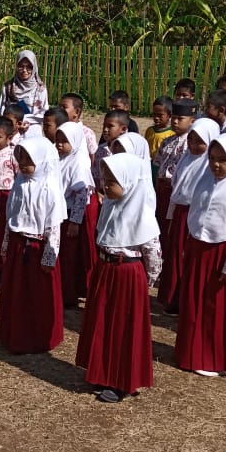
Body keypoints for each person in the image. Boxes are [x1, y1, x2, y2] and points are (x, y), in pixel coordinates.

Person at [75, 153, 162, 403]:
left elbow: (153, 252)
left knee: (123, 328)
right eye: (104, 180)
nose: (106, 186)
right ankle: (101, 372)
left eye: (112, 182)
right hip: (105, 269)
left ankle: (121, 381)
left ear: (129, 182)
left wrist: (147, 280)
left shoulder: (142, 214)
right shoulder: (110, 207)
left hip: (127, 275)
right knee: (102, 322)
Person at [175, 134, 226, 377]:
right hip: (199, 251)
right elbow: (196, 215)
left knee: (217, 307)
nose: (215, 164)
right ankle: (192, 353)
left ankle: (216, 357)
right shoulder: (204, 182)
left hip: (222, 256)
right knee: (194, 303)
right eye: (212, 158)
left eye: (223, 160)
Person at [0, 138, 65, 353]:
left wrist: (48, 258)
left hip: (37, 249)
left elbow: (53, 226)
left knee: (36, 295)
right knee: (16, 292)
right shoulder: (19, 183)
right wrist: (6, 245)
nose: (23, 164)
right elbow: (11, 216)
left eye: (29, 159)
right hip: (18, 244)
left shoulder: (48, 188)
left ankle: (35, 338)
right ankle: (13, 332)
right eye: (21, 158)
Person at [158, 118, 220, 314]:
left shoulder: (210, 166)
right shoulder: (186, 158)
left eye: (199, 141)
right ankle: (171, 297)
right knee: (175, 255)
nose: (193, 145)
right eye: (191, 140)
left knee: (188, 258)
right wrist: (171, 217)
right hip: (180, 214)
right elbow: (177, 190)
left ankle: (184, 299)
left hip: (196, 215)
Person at [56, 122, 99, 309]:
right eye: (57, 140)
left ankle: (69, 294)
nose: (59, 144)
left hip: (70, 215)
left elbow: (82, 194)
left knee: (69, 257)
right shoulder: (59, 159)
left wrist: (75, 221)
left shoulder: (79, 162)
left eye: (64, 141)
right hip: (59, 214)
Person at [154, 99, 196, 238]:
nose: (175, 122)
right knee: (160, 221)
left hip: (176, 191)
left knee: (172, 226)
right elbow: (158, 163)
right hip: (162, 189)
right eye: (173, 118)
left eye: (180, 119)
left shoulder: (191, 145)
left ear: (192, 121)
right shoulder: (167, 141)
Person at [0, 116, 18, 278]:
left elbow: (19, 176)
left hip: (5, 197)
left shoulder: (13, 155)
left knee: (2, 232)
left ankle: (3, 266)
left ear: (9, 138)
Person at [0, 50, 49, 134]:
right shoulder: (8, 87)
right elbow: (1, 109)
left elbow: (44, 112)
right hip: (12, 130)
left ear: (34, 67)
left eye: (29, 67)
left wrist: (25, 120)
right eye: (21, 66)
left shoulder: (40, 88)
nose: (24, 70)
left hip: (32, 131)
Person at [91, 110, 128, 193]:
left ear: (123, 129)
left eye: (110, 126)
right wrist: (98, 193)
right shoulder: (100, 150)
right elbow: (96, 175)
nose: (105, 129)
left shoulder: (127, 151)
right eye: (104, 126)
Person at [58, 92, 98, 158]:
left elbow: (92, 156)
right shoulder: (58, 130)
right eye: (59, 107)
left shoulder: (87, 133)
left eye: (64, 107)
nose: (60, 110)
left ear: (77, 112)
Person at [144, 96, 175, 160]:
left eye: (160, 115)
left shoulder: (172, 134)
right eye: (154, 114)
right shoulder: (149, 130)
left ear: (169, 115)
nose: (156, 118)